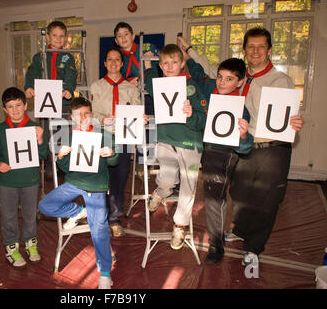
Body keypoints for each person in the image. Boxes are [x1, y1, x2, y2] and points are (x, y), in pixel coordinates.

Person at [227, 27, 304, 267]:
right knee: (239, 193)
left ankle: (254, 247)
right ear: (244, 50)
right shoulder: (237, 78)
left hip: (273, 148)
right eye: (251, 46)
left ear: (269, 50)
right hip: (244, 145)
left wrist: (296, 121)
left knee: (266, 200)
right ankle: (240, 229)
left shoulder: (281, 81)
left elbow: (288, 116)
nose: (256, 51)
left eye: (261, 47)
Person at [181, 44, 254, 264]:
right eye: (221, 76)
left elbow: (246, 146)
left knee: (215, 200)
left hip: (224, 155)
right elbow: (198, 73)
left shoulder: (241, 108)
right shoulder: (210, 88)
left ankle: (216, 245)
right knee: (216, 199)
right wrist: (187, 56)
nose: (222, 82)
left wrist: (242, 136)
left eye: (229, 79)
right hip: (207, 151)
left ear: (239, 82)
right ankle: (218, 239)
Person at [38, 97, 118, 289]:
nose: (82, 117)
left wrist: (112, 154)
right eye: (78, 114)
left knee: (98, 230)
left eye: (86, 113)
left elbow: (114, 163)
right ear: (72, 117)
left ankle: (105, 274)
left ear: (91, 114)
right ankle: (77, 211)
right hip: (74, 183)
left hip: (96, 187)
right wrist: (60, 156)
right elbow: (66, 168)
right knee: (44, 205)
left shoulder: (105, 135)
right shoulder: (68, 137)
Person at [144, 44, 208, 250]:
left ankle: (180, 224)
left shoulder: (192, 87)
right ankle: (160, 192)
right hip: (166, 141)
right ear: (160, 65)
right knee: (167, 180)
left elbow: (204, 118)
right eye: (165, 63)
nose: (170, 66)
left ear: (182, 63)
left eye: (174, 62)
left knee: (188, 186)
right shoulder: (158, 85)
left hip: (190, 143)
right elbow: (149, 81)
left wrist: (191, 115)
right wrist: (148, 65)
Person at [0, 87, 49, 269]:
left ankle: (31, 245)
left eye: (18, 105)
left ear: (26, 105)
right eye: (10, 106)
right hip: (7, 182)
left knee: (30, 215)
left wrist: (39, 140)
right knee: (9, 217)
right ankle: (11, 248)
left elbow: (44, 153)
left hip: (30, 181)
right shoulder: (0, 130)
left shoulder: (34, 128)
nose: (15, 110)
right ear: (4, 109)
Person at [91, 47, 144, 237]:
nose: (113, 63)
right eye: (109, 59)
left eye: (117, 60)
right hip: (103, 135)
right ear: (105, 63)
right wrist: (101, 120)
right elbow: (91, 116)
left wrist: (141, 117)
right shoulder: (96, 87)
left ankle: (114, 217)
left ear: (122, 63)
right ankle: (100, 214)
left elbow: (137, 111)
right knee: (102, 177)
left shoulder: (130, 87)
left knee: (120, 176)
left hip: (125, 137)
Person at [24, 20, 78, 114]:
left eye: (62, 36)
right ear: (47, 37)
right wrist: (29, 86)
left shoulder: (68, 58)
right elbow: (31, 72)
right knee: (46, 128)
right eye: (54, 35)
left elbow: (71, 75)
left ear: (65, 38)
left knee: (63, 127)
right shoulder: (39, 57)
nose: (58, 38)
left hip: (63, 100)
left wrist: (68, 89)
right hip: (44, 100)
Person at [113, 21, 158, 115]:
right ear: (116, 41)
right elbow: (115, 79)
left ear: (133, 36)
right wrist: (127, 83)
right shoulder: (116, 58)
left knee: (151, 124)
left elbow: (164, 65)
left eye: (126, 34)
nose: (123, 38)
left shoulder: (147, 48)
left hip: (149, 93)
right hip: (129, 95)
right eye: (119, 36)